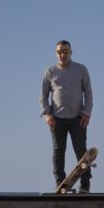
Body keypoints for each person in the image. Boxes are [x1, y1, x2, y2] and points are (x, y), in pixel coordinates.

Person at [40, 40, 93, 192]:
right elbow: (43, 96)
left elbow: (88, 93)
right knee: (58, 151)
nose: (63, 54)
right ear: (56, 53)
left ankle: (85, 186)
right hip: (57, 119)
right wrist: (47, 115)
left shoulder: (81, 69)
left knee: (82, 152)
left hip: (78, 118)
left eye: (66, 51)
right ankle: (60, 184)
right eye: (60, 51)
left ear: (71, 52)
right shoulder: (50, 71)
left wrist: (87, 113)